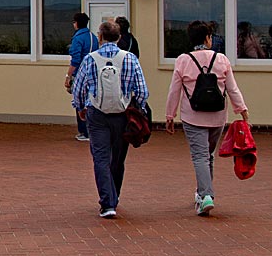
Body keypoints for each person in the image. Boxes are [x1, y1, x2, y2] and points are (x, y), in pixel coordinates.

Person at [165, 20, 250, 216]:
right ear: (207, 38)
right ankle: (203, 194)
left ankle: (206, 195)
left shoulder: (183, 60)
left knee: (200, 156)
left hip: (192, 116)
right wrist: (242, 110)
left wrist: (170, 115)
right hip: (217, 117)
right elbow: (232, 88)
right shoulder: (222, 60)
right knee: (208, 155)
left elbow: (174, 91)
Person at [71, 21, 150, 219]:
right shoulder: (130, 59)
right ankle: (115, 196)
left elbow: (78, 88)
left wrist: (80, 108)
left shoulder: (90, 59)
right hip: (122, 115)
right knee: (118, 158)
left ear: (100, 37)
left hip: (97, 114)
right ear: (119, 38)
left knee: (100, 158)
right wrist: (138, 109)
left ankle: (107, 203)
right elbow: (142, 91)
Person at [65, 12, 98, 142]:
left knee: (79, 100)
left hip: (80, 74)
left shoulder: (78, 38)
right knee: (91, 101)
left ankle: (84, 131)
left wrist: (69, 75)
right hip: (93, 74)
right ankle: (92, 129)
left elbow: (75, 59)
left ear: (77, 23)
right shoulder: (93, 37)